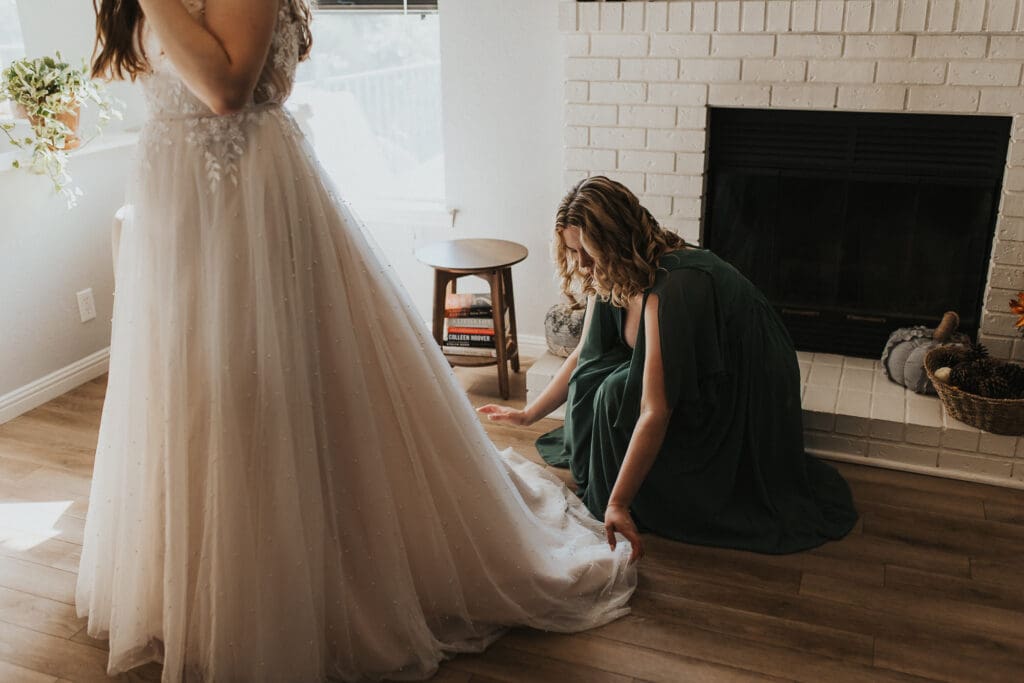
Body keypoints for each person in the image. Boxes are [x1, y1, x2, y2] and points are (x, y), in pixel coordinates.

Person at [77, 3, 635, 681]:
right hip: (177, 208)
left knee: (262, 397)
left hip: (245, 210)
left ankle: (282, 593)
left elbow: (227, 91)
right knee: (191, 396)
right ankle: (194, 582)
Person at [479, 176, 858, 557]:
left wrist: (619, 503)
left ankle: (635, 494)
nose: (581, 264)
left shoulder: (672, 286)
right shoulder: (608, 272)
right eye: (572, 251)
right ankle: (624, 482)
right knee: (597, 376)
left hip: (744, 368)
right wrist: (529, 415)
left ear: (615, 243)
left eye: (588, 252)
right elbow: (585, 354)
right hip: (704, 352)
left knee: (615, 392)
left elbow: (656, 410)